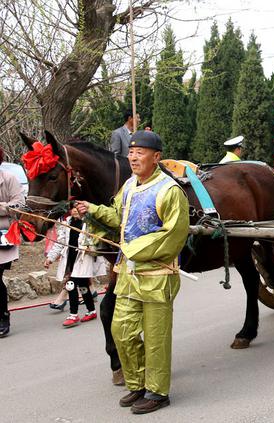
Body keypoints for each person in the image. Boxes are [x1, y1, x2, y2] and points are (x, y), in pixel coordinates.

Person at [74, 130, 189, 414]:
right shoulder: (129, 187)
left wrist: (133, 249)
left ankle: (157, 391)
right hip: (128, 274)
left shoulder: (169, 190)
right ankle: (137, 383)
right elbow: (118, 218)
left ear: (156, 157)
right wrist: (92, 209)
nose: (133, 157)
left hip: (157, 276)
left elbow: (173, 234)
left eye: (140, 153)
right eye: (131, 152)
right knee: (121, 329)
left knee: (155, 337)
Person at [44, 216, 106, 327]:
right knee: (83, 285)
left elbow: (98, 240)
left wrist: (91, 249)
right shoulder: (66, 223)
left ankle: (73, 315)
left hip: (84, 259)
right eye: (73, 208)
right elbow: (60, 242)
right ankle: (91, 311)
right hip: (70, 259)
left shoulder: (90, 222)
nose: (76, 210)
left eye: (78, 207)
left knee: (70, 284)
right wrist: (50, 258)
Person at [0, 148, 26, 338]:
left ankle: (3, 316)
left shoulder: (9, 178)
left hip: (3, 234)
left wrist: (2, 208)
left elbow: (20, 204)